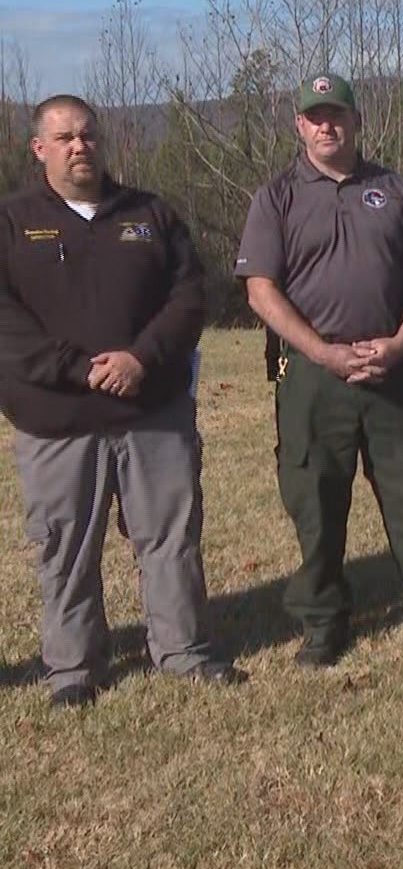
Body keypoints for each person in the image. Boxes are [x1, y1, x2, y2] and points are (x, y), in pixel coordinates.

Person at [0, 95, 245, 707]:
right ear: (39, 149)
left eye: (88, 135)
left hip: (152, 411)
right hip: (58, 420)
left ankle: (184, 649)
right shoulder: (11, 222)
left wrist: (141, 358)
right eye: (64, 139)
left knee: (170, 536)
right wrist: (78, 371)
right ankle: (73, 667)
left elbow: (190, 295)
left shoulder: (150, 214)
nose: (79, 146)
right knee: (66, 546)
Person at [235, 71, 403, 667]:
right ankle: (323, 618)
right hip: (315, 376)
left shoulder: (395, 190)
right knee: (315, 497)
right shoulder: (277, 198)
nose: (327, 125)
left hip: (389, 366)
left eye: (337, 114)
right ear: (299, 126)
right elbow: (260, 289)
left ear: (355, 120)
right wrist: (320, 351)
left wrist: (400, 341)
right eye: (315, 116)